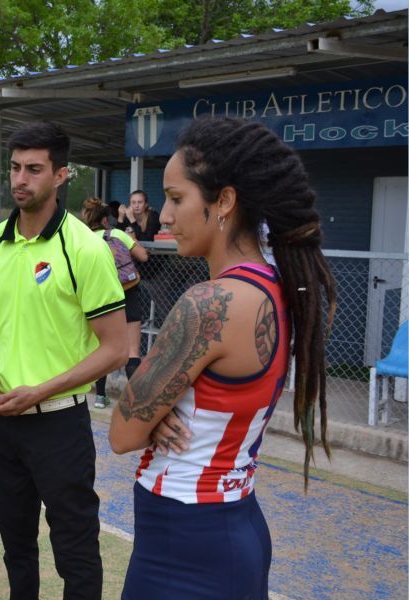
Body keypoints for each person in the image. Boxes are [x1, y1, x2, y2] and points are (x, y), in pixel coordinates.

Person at [109, 116, 337, 599]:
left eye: (176, 198)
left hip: (185, 543)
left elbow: (123, 432)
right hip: (232, 526)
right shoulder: (279, 288)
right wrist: (158, 409)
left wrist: (153, 411)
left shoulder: (210, 302)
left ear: (225, 201)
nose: (165, 216)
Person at [0, 122, 127, 599]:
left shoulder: (85, 248)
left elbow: (115, 348)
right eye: (16, 167)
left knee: (75, 551)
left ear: (61, 175)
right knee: (16, 547)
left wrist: (40, 391)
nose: (20, 179)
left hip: (59, 426)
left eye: (34, 169)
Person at [81, 198, 149, 408]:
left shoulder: (82, 241)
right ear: (104, 220)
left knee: (102, 349)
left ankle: (100, 397)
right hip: (127, 294)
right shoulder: (118, 234)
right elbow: (143, 256)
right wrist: (132, 239)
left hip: (100, 300)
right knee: (132, 351)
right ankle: (137, 401)